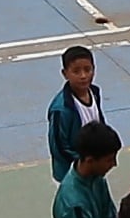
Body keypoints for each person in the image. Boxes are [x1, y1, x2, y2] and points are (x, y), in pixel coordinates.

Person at [45, 44, 111, 179]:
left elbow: (99, 122)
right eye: (76, 71)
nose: (83, 76)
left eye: (88, 70)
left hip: (94, 166)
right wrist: (81, 163)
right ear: (65, 74)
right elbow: (59, 146)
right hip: (71, 173)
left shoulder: (95, 93)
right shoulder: (61, 109)